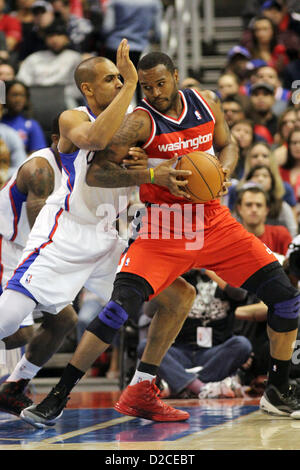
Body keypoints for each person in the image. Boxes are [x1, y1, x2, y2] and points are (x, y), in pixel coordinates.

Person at [21, 50, 300, 427]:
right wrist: (154, 177)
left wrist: (224, 170)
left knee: (285, 298)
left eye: (160, 83)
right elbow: (96, 174)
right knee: (119, 307)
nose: (153, 92)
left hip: (215, 222)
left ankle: (278, 391)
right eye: (146, 86)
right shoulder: (138, 122)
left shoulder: (207, 102)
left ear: (176, 75)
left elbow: (229, 144)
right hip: (165, 228)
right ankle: (58, 394)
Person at [0, 41, 194, 426]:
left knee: (179, 296)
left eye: (121, 77)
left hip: (110, 237)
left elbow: (162, 164)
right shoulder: (72, 117)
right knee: (11, 318)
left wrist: (155, 164)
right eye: (111, 79)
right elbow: (96, 141)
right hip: (66, 233)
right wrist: (131, 85)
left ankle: (141, 387)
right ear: (88, 88)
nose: (120, 82)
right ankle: (20, 381)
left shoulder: (137, 121)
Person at [0, 118, 78, 416]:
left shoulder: (77, 166)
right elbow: (39, 228)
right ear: (56, 138)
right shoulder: (40, 168)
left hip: (34, 251)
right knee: (16, 333)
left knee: (64, 320)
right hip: (10, 247)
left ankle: (14, 386)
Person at [138, 268, 252, 399]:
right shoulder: (182, 278)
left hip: (213, 355)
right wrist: (172, 275)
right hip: (180, 352)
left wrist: (208, 268)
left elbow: (240, 293)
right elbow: (148, 311)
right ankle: (202, 387)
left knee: (242, 345)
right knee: (145, 346)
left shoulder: (224, 275)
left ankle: (180, 383)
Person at [235, 184, 292, 257]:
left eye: (259, 205)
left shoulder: (280, 234)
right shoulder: (232, 238)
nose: (254, 210)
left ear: (266, 210)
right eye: (248, 205)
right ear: (239, 209)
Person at [2, 80, 47, 154]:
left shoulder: (32, 125)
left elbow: (37, 155)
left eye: (22, 95)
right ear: (5, 97)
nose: (18, 100)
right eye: (14, 95)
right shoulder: (1, 122)